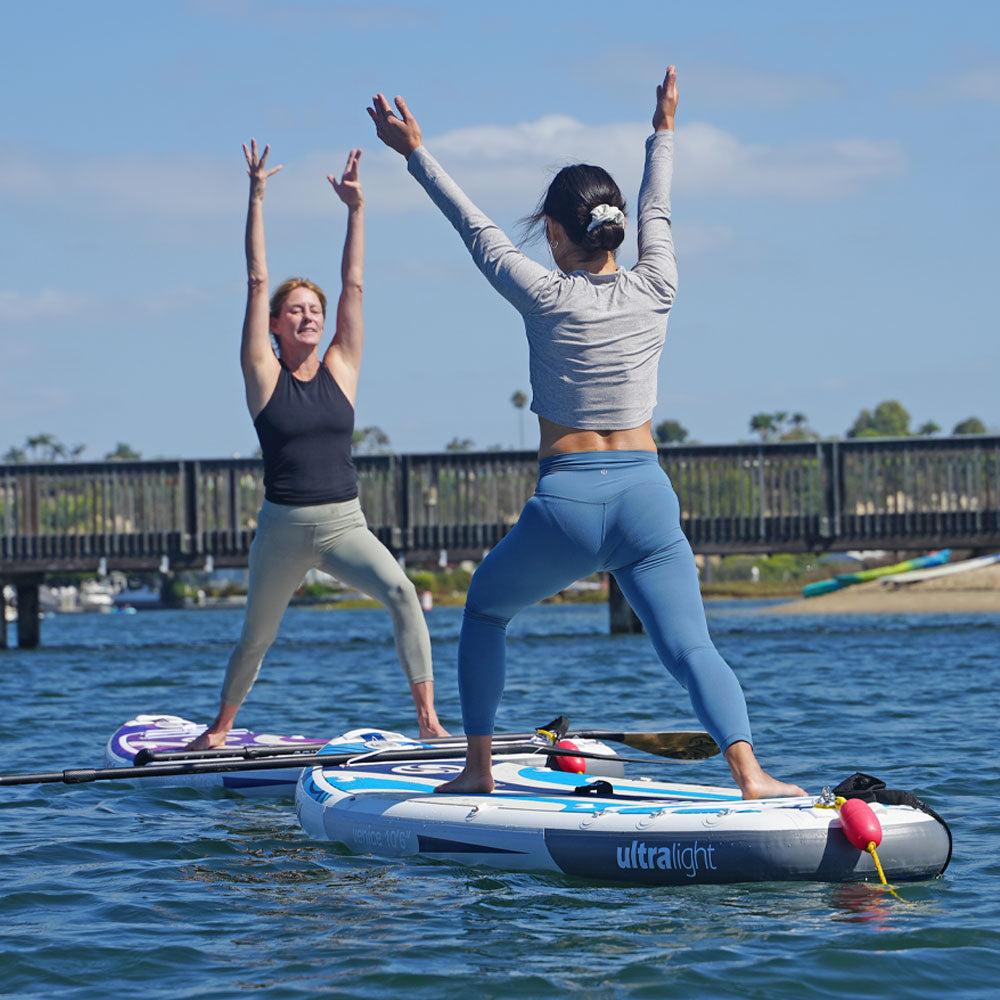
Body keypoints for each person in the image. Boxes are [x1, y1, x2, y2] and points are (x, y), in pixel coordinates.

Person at [367, 68, 804, 798]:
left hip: (568, 505)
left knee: (484, 610)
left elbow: (473, 228)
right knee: (688, 645)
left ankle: (476, 772)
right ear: (617, 229)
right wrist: (662, 127)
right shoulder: (657, 281)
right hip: (646, 503)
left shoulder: (543, 294)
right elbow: (658, 203)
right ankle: (750, 773)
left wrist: (414, 152)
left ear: (560, 234)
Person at [187, 140, 448, 750]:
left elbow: (353, 286)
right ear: (276, 325)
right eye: (295, 311)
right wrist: (256, 197)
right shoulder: (263, 373)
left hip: (343, 525)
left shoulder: (342, 366)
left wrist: (356, 210)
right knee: (257, 635)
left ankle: (429, 721)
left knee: (404, 594)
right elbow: (256, 280)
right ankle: (219, 730)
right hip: (282, 530)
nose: (309, 317)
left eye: (315, 311)